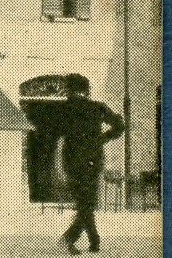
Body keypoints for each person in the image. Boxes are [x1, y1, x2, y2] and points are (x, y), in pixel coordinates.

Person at [56, 73, 124, 254]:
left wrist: (59, 163)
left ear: (69, 89)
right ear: (86, 90)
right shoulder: (97, 108)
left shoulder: (64, 109)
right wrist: (102, 138)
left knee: (84, 203)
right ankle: (89, 241)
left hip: (72, 161)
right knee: (87, 203)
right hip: (93, 160)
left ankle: (84, 240)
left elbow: (57, 137)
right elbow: (119, 125)